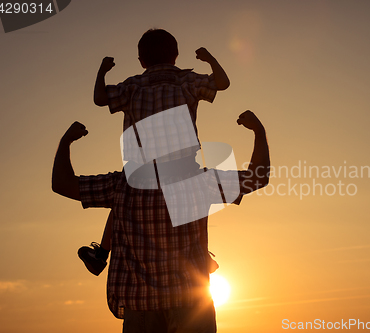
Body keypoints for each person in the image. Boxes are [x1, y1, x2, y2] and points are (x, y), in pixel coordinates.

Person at [52, 110, 270, 332]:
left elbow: (62, 184)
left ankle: (100, 255)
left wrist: (66, 142)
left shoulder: (122, 185)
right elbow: (258, 177)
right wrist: (259, 132)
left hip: (141, 306)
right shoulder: (200, 182)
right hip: (191, 305)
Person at [79, 28, 231, 275]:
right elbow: (223, 83)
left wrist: (102, 71)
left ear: (141, 61)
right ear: (176, 55)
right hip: (181, 165)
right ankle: (202, 254)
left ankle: (101, 254)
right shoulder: (187, 81)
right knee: (197, 197)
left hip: (142, 170)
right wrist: (210, 59)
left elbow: (99, 98)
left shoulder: (132, 86)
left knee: (120, 201)